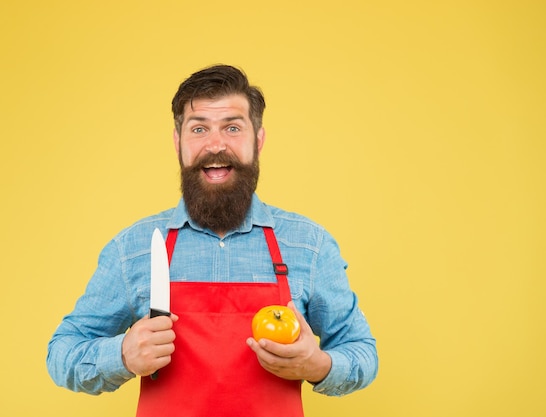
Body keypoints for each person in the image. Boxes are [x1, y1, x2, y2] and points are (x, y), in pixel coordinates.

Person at [47, 64, 378, 416]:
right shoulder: (136, 248)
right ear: (178, 142)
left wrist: (319, 366)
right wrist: (122, 356)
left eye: (232, 128)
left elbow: (361, 351)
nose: (216, 144)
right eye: (199, 128)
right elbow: (62, 354)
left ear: (259, 140)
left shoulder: (309, 246)